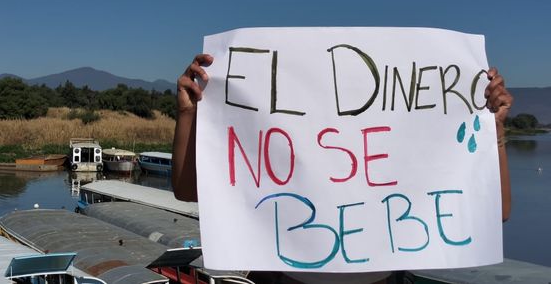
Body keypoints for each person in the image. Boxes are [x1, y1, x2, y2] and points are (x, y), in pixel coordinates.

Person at [172, 54, 513, 284]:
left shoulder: (397, 146)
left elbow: (497, 210)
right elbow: (186, 191)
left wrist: (493, 130)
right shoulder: (278, 142)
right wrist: (188, 114)